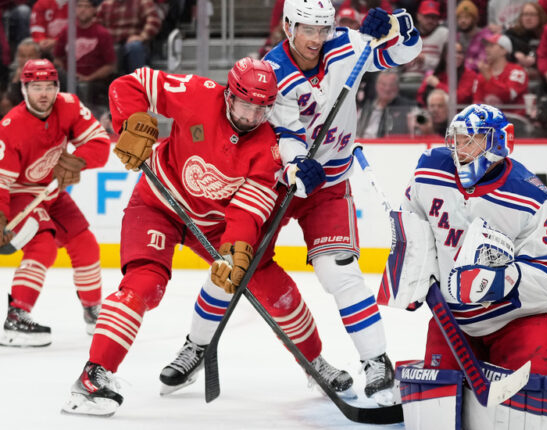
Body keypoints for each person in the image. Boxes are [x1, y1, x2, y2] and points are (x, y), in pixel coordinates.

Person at [161, 0, 423, 403]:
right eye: (307, 30)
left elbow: (401, 54)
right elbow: (286, 132)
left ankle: (376, 360)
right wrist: (298, 163)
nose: (316, 40)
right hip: (277, 181)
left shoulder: (348, 45)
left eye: (322, 30)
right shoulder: (273, 72)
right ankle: (197, 346)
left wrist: (401, 28)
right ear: (288, 27)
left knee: (340, 273)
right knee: (235, 263)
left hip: (330, 183)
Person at [61, 57, 339, 416]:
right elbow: (129, 84)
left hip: (213, 225)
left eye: (262, 109)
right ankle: (92, 377)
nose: (252, 116)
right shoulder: (197, 94)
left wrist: (236, 251)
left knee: (271, 286)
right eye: (245, 105)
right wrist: (129, 121)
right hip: (158, 204)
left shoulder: (269, 149)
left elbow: (248, 210)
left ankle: (315, 362)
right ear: (229, 94)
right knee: (145, 284)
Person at [397, 103, 547, 378]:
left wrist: (496, 282)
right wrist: (412, 274)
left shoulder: (530, 196)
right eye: (457, 139)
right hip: (454, 319)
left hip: (523, 319)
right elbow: (413, 225)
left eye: (471, 140)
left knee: (531, 404)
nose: (461, 148)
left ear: (499, 142)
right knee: (439, 403)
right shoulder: (430, 170)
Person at [0, 59, 111, 347]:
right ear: (24, 89)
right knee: (43, 243)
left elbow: (100, 142)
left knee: (85, 243)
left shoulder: (70, 105)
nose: (44, 93)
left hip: (52, 191)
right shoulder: (10, 127)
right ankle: (17, 316)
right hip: (19, 193)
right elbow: (1, 182)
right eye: (36, 87)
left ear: (57, 87)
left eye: (49, 86)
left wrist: (78, 159)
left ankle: (92, 311)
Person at [53, 0, 116, 113]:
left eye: (86, 6)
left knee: (87, 87)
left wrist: (88, 78)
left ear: (94, 10)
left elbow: (110, 66)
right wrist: (68, 74)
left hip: (94, 81)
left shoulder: (102, 33)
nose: (82, 10)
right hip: (68, 78)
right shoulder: (67, 31)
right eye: (80, 6)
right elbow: (57, 58)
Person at [95, 0, 162, 74]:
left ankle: (136, 82)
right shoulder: (105, 4)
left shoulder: (143, 2)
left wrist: (142, 37)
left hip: (135, 43)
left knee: (134, 47)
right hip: (112, 44)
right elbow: (96, 25)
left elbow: (154, 21)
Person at [475, 33, 528, 114]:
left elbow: (508, 95)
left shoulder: (517, 72)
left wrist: (489, 78)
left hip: (514, 122)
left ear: (504, 50)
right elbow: (477, 103)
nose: (486, 49)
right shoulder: (482, 74)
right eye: (486, 46)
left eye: (491, 46)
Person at [356, 70, 414, 138]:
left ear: (397, 87)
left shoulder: (406, 108)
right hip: (363, 144)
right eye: (383, 84)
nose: (387, 89)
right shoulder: (366, 107)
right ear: (376, 86)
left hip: (390, 145)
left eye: (391, 85)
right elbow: (356, 131)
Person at [504, 1, 547, 85]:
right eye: (525, 14)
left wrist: (531, 58)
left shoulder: (546, 34)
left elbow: (539, 53)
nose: (528, 18)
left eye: (532, 15)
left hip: (540, 73)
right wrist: (515, 54)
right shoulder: (511, 34)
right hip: (514, 72)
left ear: (540, 17)